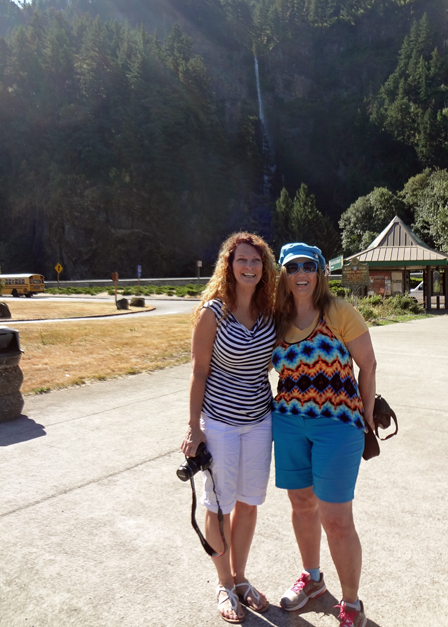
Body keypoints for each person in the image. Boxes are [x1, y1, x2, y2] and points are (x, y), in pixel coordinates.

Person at [271, 243, 377, 627]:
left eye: (308, 266)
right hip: (287, 422)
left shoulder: (338, 312)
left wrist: (365, 415)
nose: (301, 273)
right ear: (283, 274)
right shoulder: (276, 318)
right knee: (301, 504)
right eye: (292, 266)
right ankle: (312, 580)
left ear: (319, 272)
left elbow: (368, 364)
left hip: (337, 425)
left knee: (336, 518)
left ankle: (351, 605)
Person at [180, 232, 277, 623]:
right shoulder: (213, 312)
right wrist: (193, 427)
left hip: (259, 422)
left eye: (256, 261)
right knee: (218, 505)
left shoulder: (269, 312)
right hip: (219, 423)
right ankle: (223, 583)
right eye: (242, 261)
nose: (250, 267)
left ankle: (239, 579)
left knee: (249, 502)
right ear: (229, 265)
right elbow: (199, 371)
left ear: (263, 267)